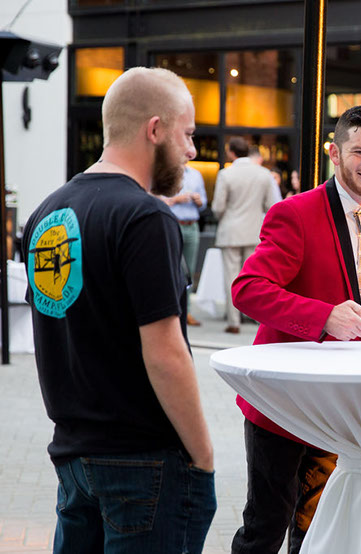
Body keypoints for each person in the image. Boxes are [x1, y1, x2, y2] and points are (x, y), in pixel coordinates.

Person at [21, 67, 216, 553]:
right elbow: (166, 353)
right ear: (155, 130)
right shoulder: (146, 216)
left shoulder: (46, 213)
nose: (193, 151)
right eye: (188, 134)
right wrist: (204, 456)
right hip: (143, 460)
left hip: (74, 458)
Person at [230, 105, 361, 554]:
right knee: (266, 525)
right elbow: (247, 290)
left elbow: (360, 297)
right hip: (283, 400)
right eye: (360, 152)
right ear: (335, 153)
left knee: (316, 525)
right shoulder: (294, 213)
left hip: (341, 402)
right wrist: (323, 317)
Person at [212, 136, 278, 334]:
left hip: (231, 230)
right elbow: (272, 205)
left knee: (231, 277)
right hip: (254, 230)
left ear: (231, 152)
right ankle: (255, 317)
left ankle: (234, 321)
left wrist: (224, 216)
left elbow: (218, 207)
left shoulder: (226, 174)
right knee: (255, 278)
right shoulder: (263, 174)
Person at [160, 164, 207, 326]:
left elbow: (204, 202)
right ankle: (171, 310)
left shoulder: (196, 174)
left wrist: (199, 201)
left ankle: (186, 311)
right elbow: (154, 199)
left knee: (189, 272)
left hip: (192, 225)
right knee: (171, 269)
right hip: (173, 223)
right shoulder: (163, 170)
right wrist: (175, 200)